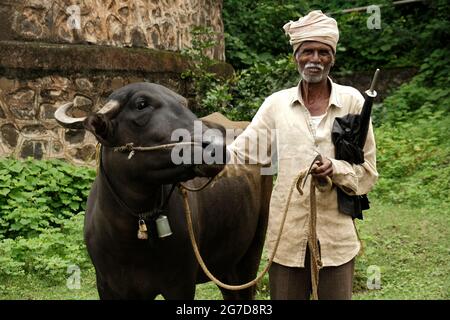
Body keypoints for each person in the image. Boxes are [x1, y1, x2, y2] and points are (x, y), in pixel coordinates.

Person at [219, 10, 378, 300]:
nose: (314, 59)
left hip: (337, 239)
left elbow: (367, 172)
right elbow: (241, 153)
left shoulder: (353, 101)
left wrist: (335, 168)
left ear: (332, 58)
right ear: (296, 56)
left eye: (322, 52)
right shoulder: (276, 105)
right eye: (307, 51)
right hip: (287, 235)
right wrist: (198, 158)